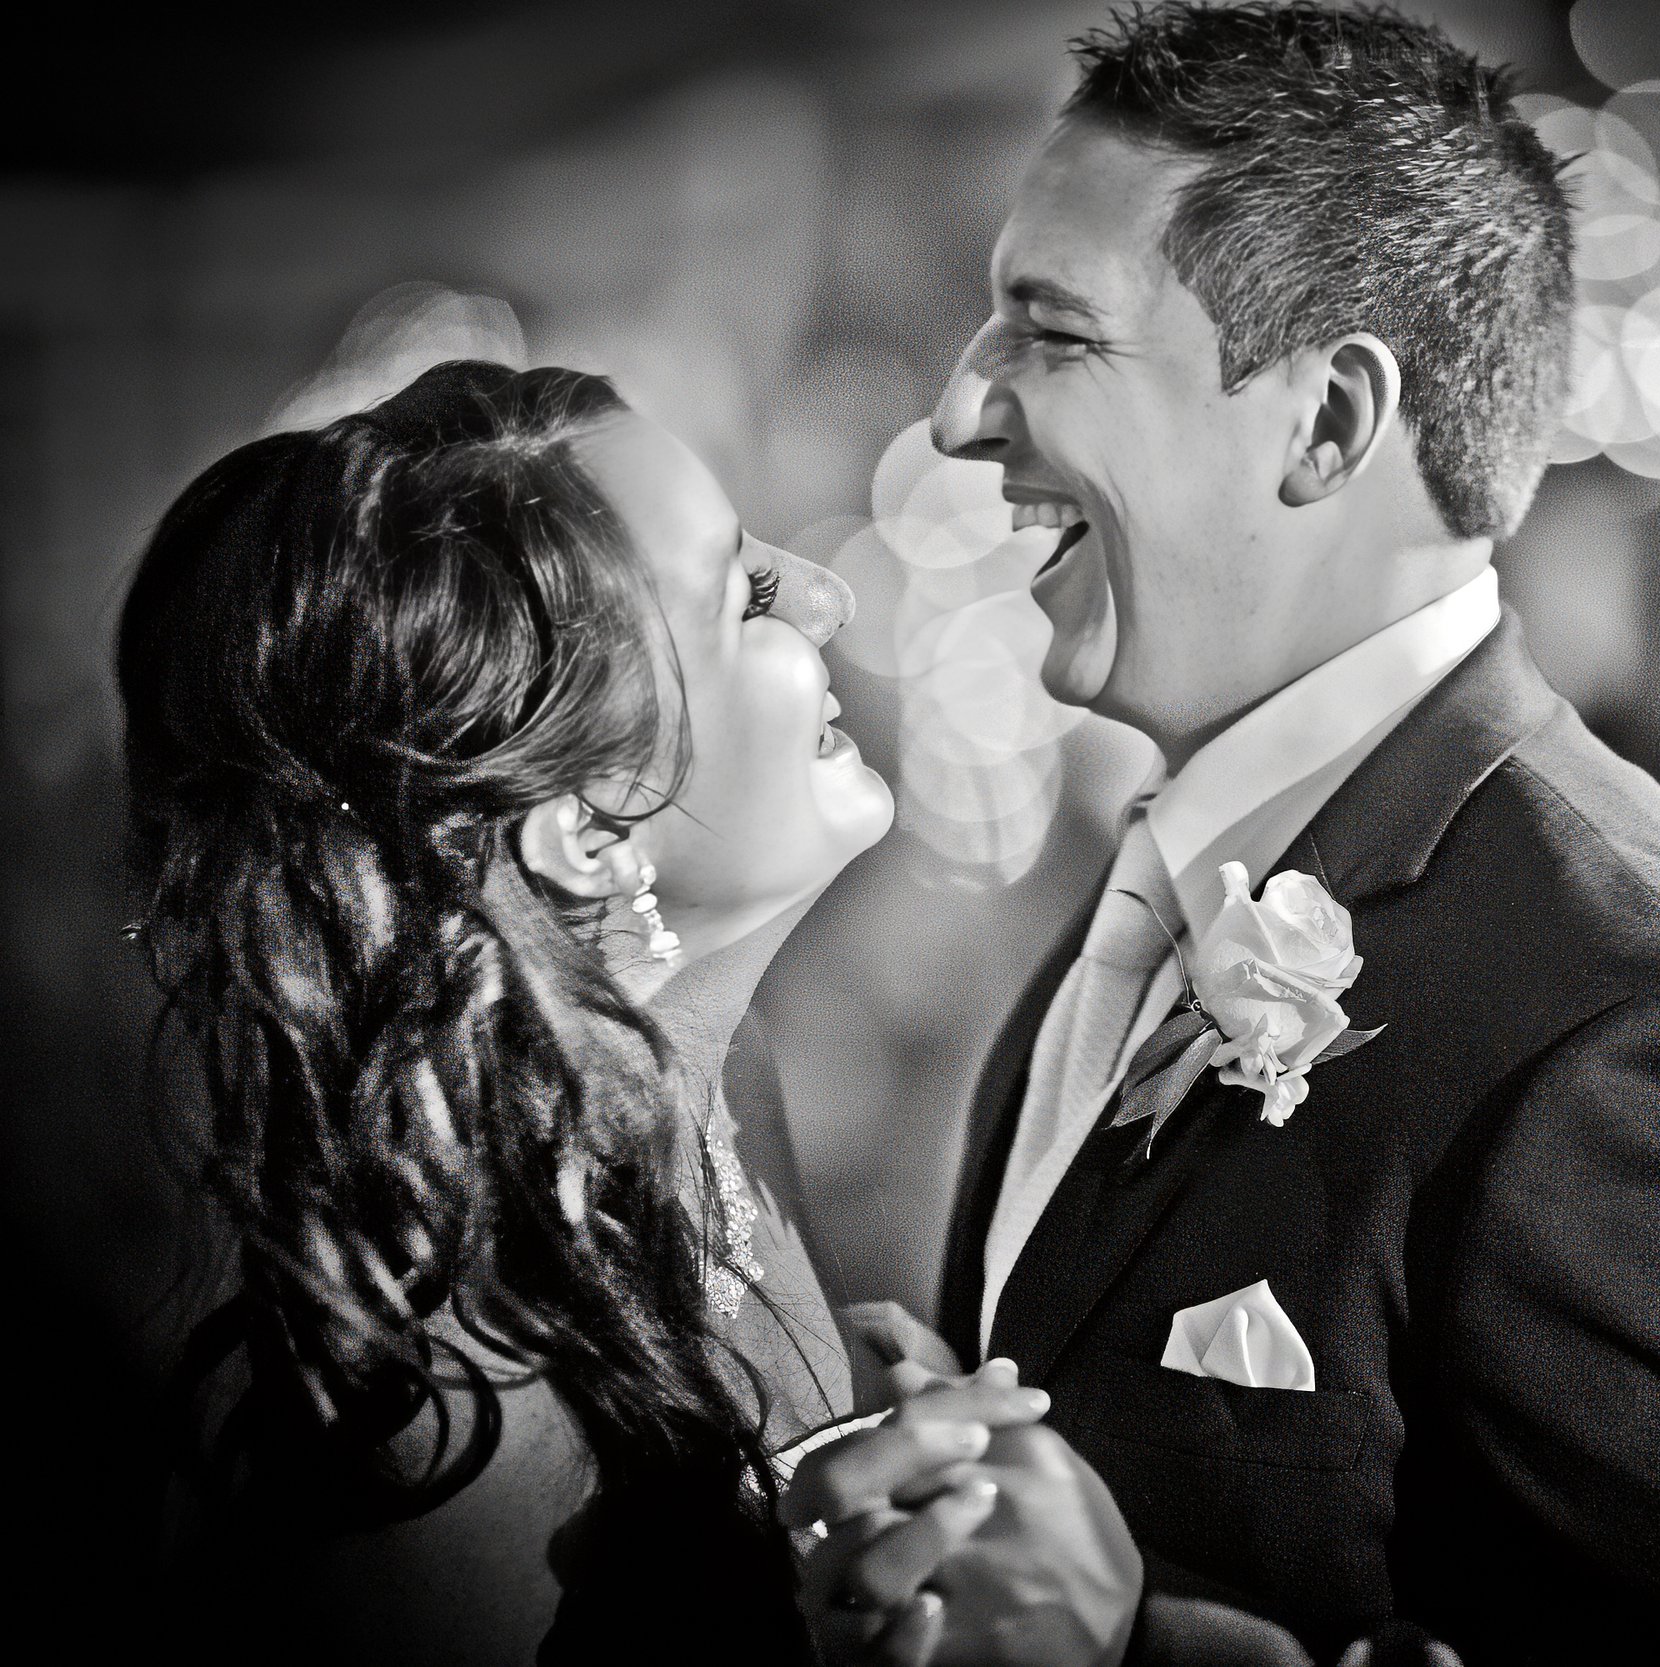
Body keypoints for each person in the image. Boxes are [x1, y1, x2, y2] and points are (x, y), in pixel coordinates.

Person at [788, 7, 1660, 1663]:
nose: (966, 413)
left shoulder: (1647, 1024)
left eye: (1053, 333)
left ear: (1328, 423)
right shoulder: (1155, 900)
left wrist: (1140, 1653)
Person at [124, 360, 1095, 1661]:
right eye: (737, 597)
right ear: (580, 828)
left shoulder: (718, 1083)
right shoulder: (440, 1436)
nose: (824, 594)